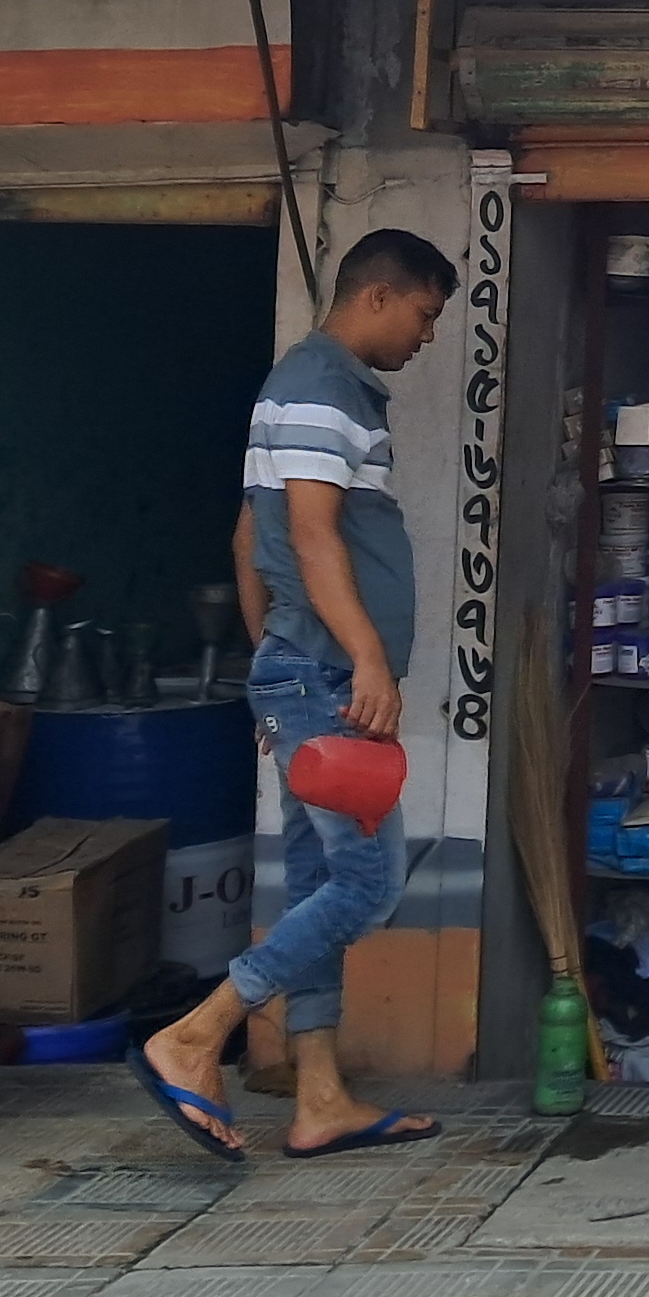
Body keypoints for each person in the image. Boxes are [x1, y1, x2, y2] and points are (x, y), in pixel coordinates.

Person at [135, 229, 457, 1161]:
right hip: (329, 677)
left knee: (319, 883)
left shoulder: (304, 385)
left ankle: (319, 1098)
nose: (427, 336)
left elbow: (250, 540)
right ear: (378, 296)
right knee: (369, 883)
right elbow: (312, 539)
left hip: (299, 669)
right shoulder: (322, 387)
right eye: (425, 315)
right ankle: (196, 1035)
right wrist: (361, 660)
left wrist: (272, 664)